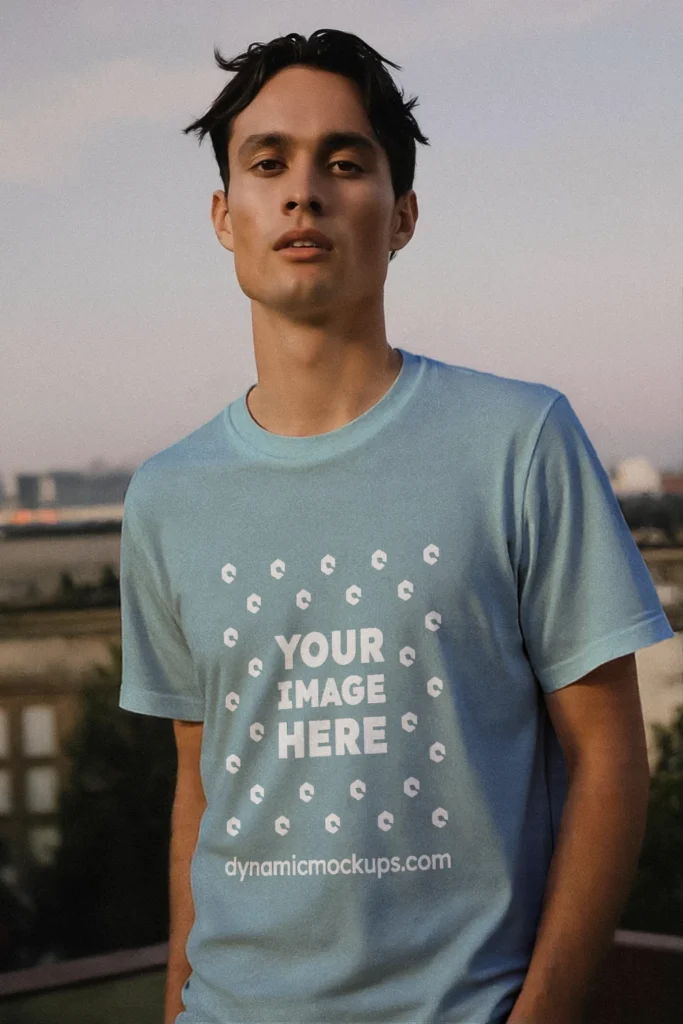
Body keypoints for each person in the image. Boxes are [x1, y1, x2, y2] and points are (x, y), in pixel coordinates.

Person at [118, 28, 674, 1024]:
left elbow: (607, 758)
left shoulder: (519, 441)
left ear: (403, 214)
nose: (302, 193)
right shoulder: (166, 495)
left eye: (343, 162)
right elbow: (201, 787)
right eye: (267, 164)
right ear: (223, 215)